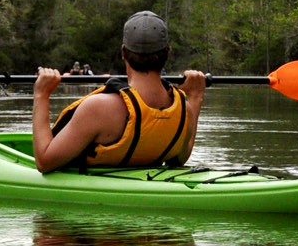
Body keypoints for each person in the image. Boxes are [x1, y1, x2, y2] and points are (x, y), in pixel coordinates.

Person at [32, 11, 207, 172]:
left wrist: (42, 94)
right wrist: (196, 97)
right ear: (167, 54)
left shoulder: (98, 108)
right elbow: (180, 159)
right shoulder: (185, 110)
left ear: (123, 53)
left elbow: (44, 162)